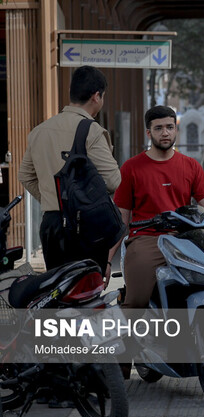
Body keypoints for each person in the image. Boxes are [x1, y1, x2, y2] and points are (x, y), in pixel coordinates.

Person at [109, 105, 204, 309]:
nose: (165, 133)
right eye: (158, 128)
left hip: (186, 237)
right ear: (149, 133)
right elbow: (121, 219)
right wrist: (106, 260)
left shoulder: (191, 165)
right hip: (147, 238)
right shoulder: (131, 168)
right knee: (136, 303)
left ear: (176, 130)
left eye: (170, 127)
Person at [19, 65, 120, 279]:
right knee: (86, 290)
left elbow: (25, 175)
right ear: (97, 96)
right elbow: (113, 181)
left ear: (71, 93)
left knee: (57, 288)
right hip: (86, 226)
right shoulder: (91, 130)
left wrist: (53, 200)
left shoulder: (39, 131)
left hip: (51, 225)